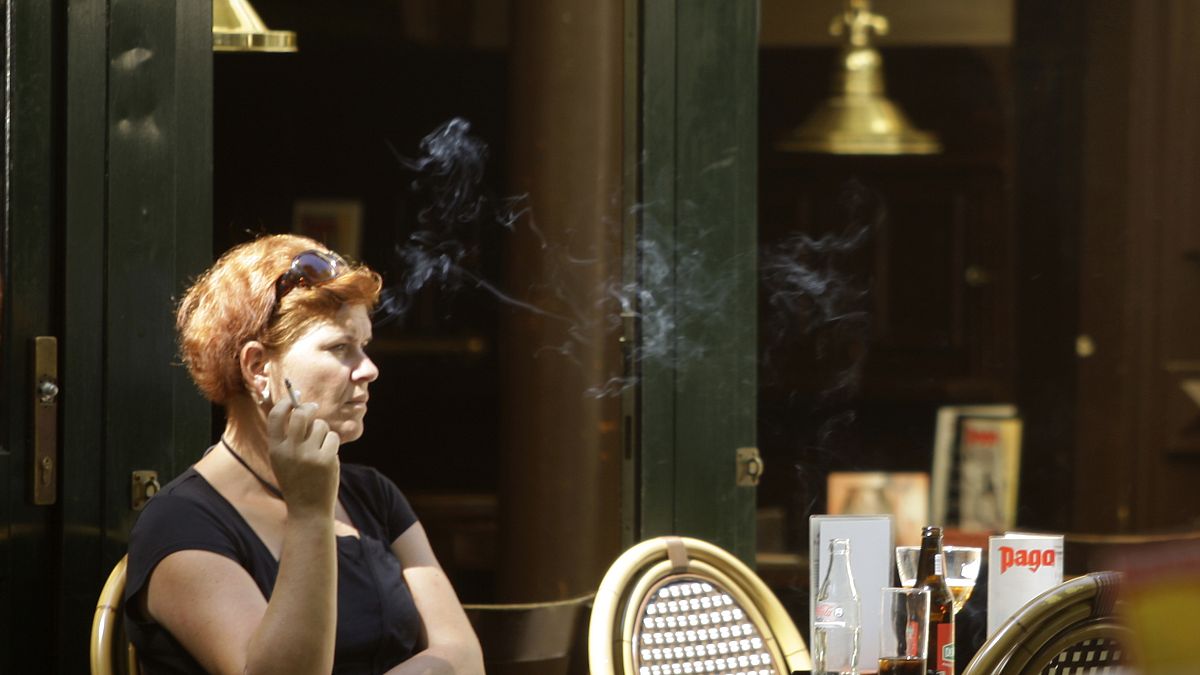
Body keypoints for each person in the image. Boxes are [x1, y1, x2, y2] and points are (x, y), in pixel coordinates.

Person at [125, 234, 484, 675]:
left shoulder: (372, 496)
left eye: (364, 346)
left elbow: (463, 658)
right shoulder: (181, 523)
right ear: (258, 368)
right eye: (339, 348)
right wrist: (311, 512)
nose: (369, 368)